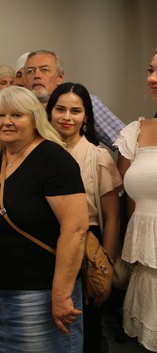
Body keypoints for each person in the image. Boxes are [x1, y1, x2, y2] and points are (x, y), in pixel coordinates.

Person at [0, 86, 88, 351]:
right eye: (0, 115)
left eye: (17, 115)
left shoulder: (54, 159)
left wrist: (61, 294)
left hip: (39, 297)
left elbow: (76, 229)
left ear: (34, 119)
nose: (7, 121)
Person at [47, 82, 122, 352]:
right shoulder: (38, 154)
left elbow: (112, 218)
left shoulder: (97, 156)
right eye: (60, 109)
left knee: (85, 331)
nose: (67, 117)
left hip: (87, 249)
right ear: (49, 112)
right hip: (45, 246)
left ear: (86, 117)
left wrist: (106, 267)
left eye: (75, 111)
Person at [114, 49, 157, 351]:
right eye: (150, 70)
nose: (152, 79)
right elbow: (127, 199)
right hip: (145, 261)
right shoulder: (136, 131)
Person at [24, 49, 124, 150]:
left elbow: (126, 142)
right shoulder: (20, 108)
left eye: (44, 70)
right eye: (30, 71)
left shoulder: (84, 101)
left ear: (60, 78)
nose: (36, 76)